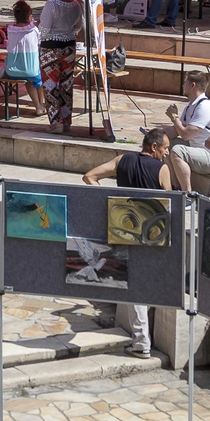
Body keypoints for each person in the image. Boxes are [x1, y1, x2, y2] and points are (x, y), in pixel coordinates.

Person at [82, 128, 172, 357]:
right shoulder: (162, 169)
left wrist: (112, 206)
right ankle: (142, 344)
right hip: (151, 234)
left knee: (136, 284)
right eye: (165, 148)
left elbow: (89, 177)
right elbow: (168, 205)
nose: (167, 153)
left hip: (125, 230)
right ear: (154, 147)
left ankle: (141, 340)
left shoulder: (123, 160)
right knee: (140, 287)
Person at [166, 71, 210, 191]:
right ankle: (175, 188)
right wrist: (157, 135)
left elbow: (186, 135)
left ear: (192, 85)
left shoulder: (205, 107)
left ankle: (187, 195)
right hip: (199, 150)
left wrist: (174, 117)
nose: (183, 86)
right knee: (167, 144)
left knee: (178, 151)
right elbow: (177, 130)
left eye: (185, 83)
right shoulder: (191, 106)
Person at [40, 0, 83, 135]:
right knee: (66, 84)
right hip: (69, 47)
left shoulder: (51, 5)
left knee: (51, 85)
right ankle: (66, 120)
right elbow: (78, 27)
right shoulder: (76, 5)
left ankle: (56, 121)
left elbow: (44, 30)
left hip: (50, 48)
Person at [5, 0, 46, 116]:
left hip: (11, 70)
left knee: (29, 76)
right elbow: (39, 44)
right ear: (29, 16)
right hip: (31, 71)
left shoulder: (10, 30)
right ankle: (40, 105)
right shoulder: (33, 30)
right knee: (34, 76)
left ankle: (40, 106)